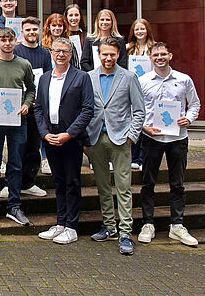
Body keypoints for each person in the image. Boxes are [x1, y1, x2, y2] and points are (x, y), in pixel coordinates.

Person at [85, 37, 145, 255]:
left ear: (118, 55)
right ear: (98, 55)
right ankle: (109, 226)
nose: (108, 58)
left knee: (123, 187)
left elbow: (139, 110)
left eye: (112, 54)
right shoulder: (89, 77)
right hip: (96, 139)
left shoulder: (129, 77)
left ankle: (125, 232)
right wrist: (85, 138)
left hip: (120, 139)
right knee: (102, 185)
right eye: (104, 54)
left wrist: (131, 135)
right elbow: (85, 109)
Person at [137, 42, 201, 247]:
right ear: (150, 57)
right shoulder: (143, 81)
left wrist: (189, 119)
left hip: (178, 138)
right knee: (148, 183)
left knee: (177, 184)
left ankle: (177, 225)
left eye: (163, 54)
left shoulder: (184, 80)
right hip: (151, 138)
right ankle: (148, 223)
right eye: (156, 55)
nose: (160, 57)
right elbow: (135, 108)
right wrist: (144, 128)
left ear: (170, 56)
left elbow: (195, 104)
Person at [34, 37, 94, 245]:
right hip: (50, 138)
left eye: (65, 51)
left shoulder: (82, 77)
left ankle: (72, 226)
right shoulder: (44, 78)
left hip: (71, 138)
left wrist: (70, 133)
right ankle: (60, 223)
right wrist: (44, 133)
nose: (60, 54)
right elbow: (39, 109)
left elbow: (88, 110)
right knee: (58, 182)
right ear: (51, 53)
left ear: (71, 55)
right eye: (57, 51)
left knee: (72, 182)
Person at [0, 28, 36, 227]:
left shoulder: (24, 64)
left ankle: (14, 205)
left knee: (16, 164)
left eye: (10, 40)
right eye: (3, 40)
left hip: (17, 120)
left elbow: (31, 89)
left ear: (16, 41)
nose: (6, 43)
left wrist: (26, 104)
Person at [1, 17, 52, 198]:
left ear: (39, 31)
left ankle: (29, 182)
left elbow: (47, 78)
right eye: (28, 30)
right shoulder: (17, 51)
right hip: (16, 105)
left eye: (34, 29)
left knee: (33, 145)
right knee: (16, 146)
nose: (31, 33)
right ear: (22, 33)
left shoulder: (45, 54)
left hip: (36, 106)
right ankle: (11, 182)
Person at [127, 18, 156, 170]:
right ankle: (135, 157)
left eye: (142, 29)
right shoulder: (128, 48)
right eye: (137, 29)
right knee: (135, 120)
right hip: (133, 87)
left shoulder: (153, 48)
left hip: (149, 88)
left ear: (147, 30)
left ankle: (144, 157)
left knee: (147, 120)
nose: (140, 32)